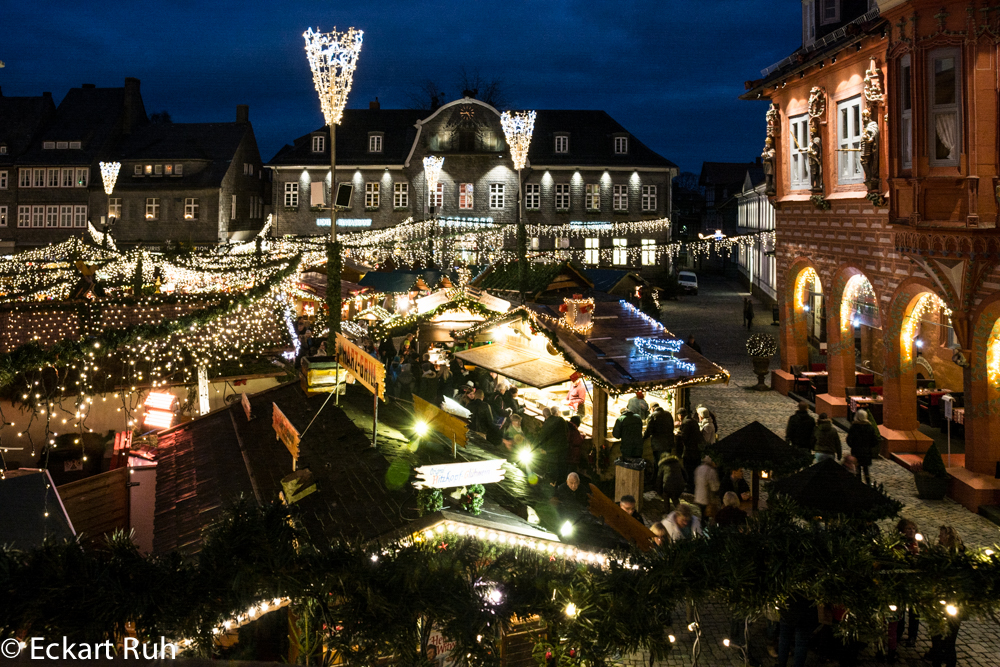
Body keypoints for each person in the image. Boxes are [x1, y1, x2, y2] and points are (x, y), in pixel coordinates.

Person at [929, 527, 964, 667]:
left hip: (954, 603)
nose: (939, 536)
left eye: (941, 534)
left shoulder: (960, 553)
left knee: (950, 641)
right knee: (936, 638)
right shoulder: (936, 551)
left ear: (948, 536)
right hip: (937, 601)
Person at [777, 593, 816, 667]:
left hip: (788, 606)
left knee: (784, 638)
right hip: (806, 610)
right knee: (801, 643)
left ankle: (781, 663)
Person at [846, 409, 879, 485]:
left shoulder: (854, 427)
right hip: (866, 452)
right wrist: (869, 447)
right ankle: (867, 483)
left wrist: (853, 446)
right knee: (866, 469)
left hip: (856, 452)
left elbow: (849, 440)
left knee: (857, 469)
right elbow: (875, 440)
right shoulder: (870, 428)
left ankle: (858, 484)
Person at [537, 407, 569, 484]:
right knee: (562, 468)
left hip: (551, 451)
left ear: (544, 415)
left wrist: (543, 449)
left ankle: (553, 484)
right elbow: (567, 431)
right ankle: (562, 483)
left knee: (553, 469)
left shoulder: (546, 425)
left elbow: (542, 438)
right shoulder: (561, 420)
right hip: (563, 448)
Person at [676, 408, 702, 492]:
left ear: (680, 415)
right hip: (696, 451)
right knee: (694, 470)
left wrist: (678, 434)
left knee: (688, 470)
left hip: (689, 452)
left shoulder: (686, 422)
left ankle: (690, 488)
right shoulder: (693, 421)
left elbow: (684, 437)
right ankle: (694, 487)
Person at [693, 455, 720, 520]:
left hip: (698, 497)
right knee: (707, 516)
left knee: (702, 515)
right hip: (707, 498)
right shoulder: (711, 471)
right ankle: (706, 529)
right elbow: (714, 487)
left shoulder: (698, 468)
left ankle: (702, 528)